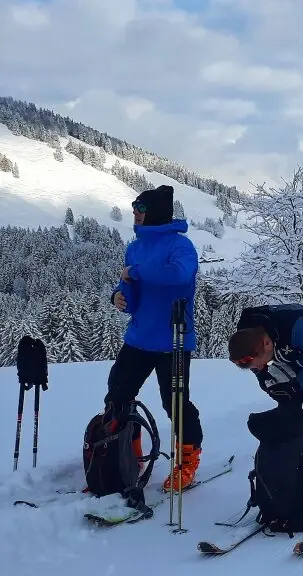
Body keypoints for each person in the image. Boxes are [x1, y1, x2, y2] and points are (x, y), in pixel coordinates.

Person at [105, 184, 204, 493]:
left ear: (156, 212)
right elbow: (132, 291)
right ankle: (127, 453)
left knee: (175, 404)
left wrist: (135, 272)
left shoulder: (181, 245)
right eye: (135, 207)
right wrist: (120, 296)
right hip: (139, 337)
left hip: (174, 339)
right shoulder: (135, 247)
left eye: (141, 208)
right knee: (118, 396)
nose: (135, 212)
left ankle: (188, 459)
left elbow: (179, 276)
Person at [227, 303, 303, 519]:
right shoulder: (247, 336)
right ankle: (297, 464)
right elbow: (258, 366)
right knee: (287, 409)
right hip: (295, 353)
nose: (257, 368)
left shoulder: (297, 328)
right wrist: (267, 381)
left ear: (266, 343)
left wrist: (296, 383)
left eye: (257, 364)